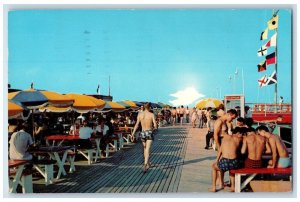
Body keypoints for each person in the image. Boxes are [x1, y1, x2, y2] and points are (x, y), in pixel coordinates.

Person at [208, 126, 243, 192]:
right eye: (241, 134)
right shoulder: (239, 139)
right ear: (238, 133)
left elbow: (220, 151)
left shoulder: (225, 137)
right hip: (234, 163)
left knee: (214, 167)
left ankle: (214, 187)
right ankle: (232, 187)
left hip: (225, 161)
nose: (241, 135)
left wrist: (217, 161)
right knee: (231, 168)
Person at [131, 103, 157, 173]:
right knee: (147, 149)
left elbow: (137, 125)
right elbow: (155, 126)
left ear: (144, 107)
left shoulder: (140, 115)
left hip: (142, 133)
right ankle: (145, 165)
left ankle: (148, 163)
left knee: (145, 149)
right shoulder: (151, 115)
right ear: (149, 107)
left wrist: (133, 134)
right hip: (149, 132)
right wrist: (153, 128)